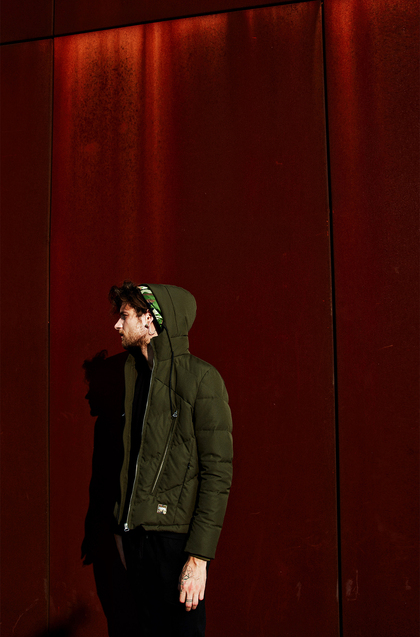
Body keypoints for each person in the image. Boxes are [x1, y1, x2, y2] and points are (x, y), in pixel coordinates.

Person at [108, 281, 233, 637]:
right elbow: (130, 460)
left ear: (149, 319)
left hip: (177, 545)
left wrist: (198, 558)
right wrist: (121, 524)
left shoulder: (201, 379)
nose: (117, 325)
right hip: (137, 540)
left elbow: (217, 473)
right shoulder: (136, 378)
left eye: (125, 315)